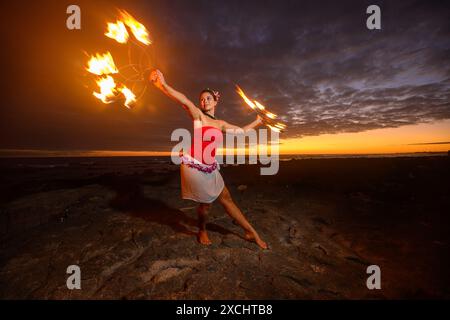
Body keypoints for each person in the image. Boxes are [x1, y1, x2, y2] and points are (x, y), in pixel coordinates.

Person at [150, 69, 268, 249]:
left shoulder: (221, 124)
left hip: (210, 167)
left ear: (215, 101)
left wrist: (258, 121)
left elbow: (241, 132)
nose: (204, 101)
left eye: (208, 98)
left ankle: (251, 231)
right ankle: (202, 229)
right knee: (206, 205)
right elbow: (183, 99)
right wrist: (163, 85)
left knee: (226, 198)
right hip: (195, 167)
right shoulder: (199, 116)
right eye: (202, 99)